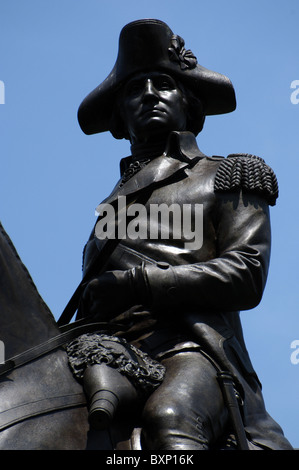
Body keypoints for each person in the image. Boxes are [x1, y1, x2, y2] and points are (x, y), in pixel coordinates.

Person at [66, 19, 292, 450]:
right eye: (135, 89)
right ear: (120, 117)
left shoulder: (229, 174)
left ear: (189, 104)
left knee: (171, 416)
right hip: (110, 351)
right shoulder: (107, 212)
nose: (149, 93)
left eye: (163, 84)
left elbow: (246, 272)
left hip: (193, 349)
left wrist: (139, 283)